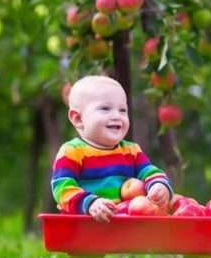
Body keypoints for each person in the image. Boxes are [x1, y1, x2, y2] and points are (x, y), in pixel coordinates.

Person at [51, 75, 173, 222]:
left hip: (126, 227)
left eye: (123, 110)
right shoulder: (72, 151)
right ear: (78, 118)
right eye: (105, 109)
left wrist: (159, 185)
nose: (117, 115)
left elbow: (150, 172)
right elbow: (62, 187)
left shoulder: (132, 151)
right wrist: (89, 203)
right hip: (86, 228)